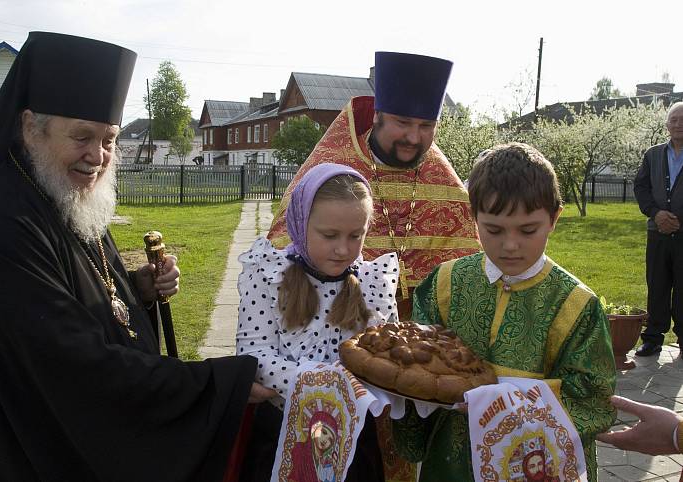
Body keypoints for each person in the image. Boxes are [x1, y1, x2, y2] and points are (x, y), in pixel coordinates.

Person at [0, 31, 271, 482]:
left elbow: (78, 290)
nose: (98, 156)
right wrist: (218, 387)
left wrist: (137, 289)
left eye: (109, 140)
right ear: (31, 128)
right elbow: (69, 363)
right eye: (82, 137)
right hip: (19, 450)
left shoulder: (60, 192)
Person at [392, 142, 616, 481]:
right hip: (453, 459)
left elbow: (592, 398)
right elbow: (418, 362)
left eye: (528, 230)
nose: (510, 245)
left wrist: (502, 401)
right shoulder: (445, 283)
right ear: (473, 216)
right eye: (493, 230)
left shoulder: (575, 304)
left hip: (533, 462)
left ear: (554, 218)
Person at [268, 51, 479, 320]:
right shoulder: (331, 165)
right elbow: (285, 257)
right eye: (402, 123)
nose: (414, 137)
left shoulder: (441, 178)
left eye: (426, 125)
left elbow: (470, 270)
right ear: (377, 115)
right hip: (332, 320)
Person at [237, 163, 400, 481]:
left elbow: (384, 354)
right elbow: (254, 353)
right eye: (329, 235)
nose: (343, 249)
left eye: (356, 236)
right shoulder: (269, 273)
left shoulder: (372, 281)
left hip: (353, 442)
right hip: (282, 433)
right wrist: (329, 384)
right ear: (300, 224)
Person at [633, 101, 683, 357]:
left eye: (682, 119)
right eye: (674, 119)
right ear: (667, 125)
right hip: (657, 232)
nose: (678, 124)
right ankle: (653, 338)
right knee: (657, 284)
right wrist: (656, 213)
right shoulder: (653, 154)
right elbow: (640, 187)